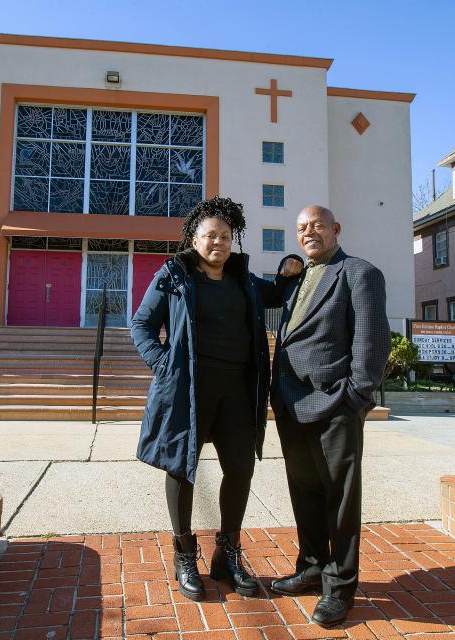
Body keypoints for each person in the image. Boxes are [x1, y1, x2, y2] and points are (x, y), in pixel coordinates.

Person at [131, 196, 302, 601]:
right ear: (194, 238)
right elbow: (141, 325)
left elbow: (276, 294)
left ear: (233, 240)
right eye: (210, 236)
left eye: (225, 236)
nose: (218, 243)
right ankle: (184, 552)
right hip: (188, 388)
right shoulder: (173, 274)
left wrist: (288, 268)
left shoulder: (243, 279)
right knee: (180, 467)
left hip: (238, 390)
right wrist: (165, 364)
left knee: (241, 468)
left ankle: (227, 552)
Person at [268, 205, 391, 626]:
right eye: (302, 228)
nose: (309, 233)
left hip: (335, 403)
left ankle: (339, 586)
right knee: (305, 491)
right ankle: (312, 566)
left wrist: (355, 397)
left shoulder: (359, 273)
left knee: (340, 498)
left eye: (317, 225)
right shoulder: (299, 277)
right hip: (291, 404)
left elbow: (372, 343)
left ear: (335, 229)